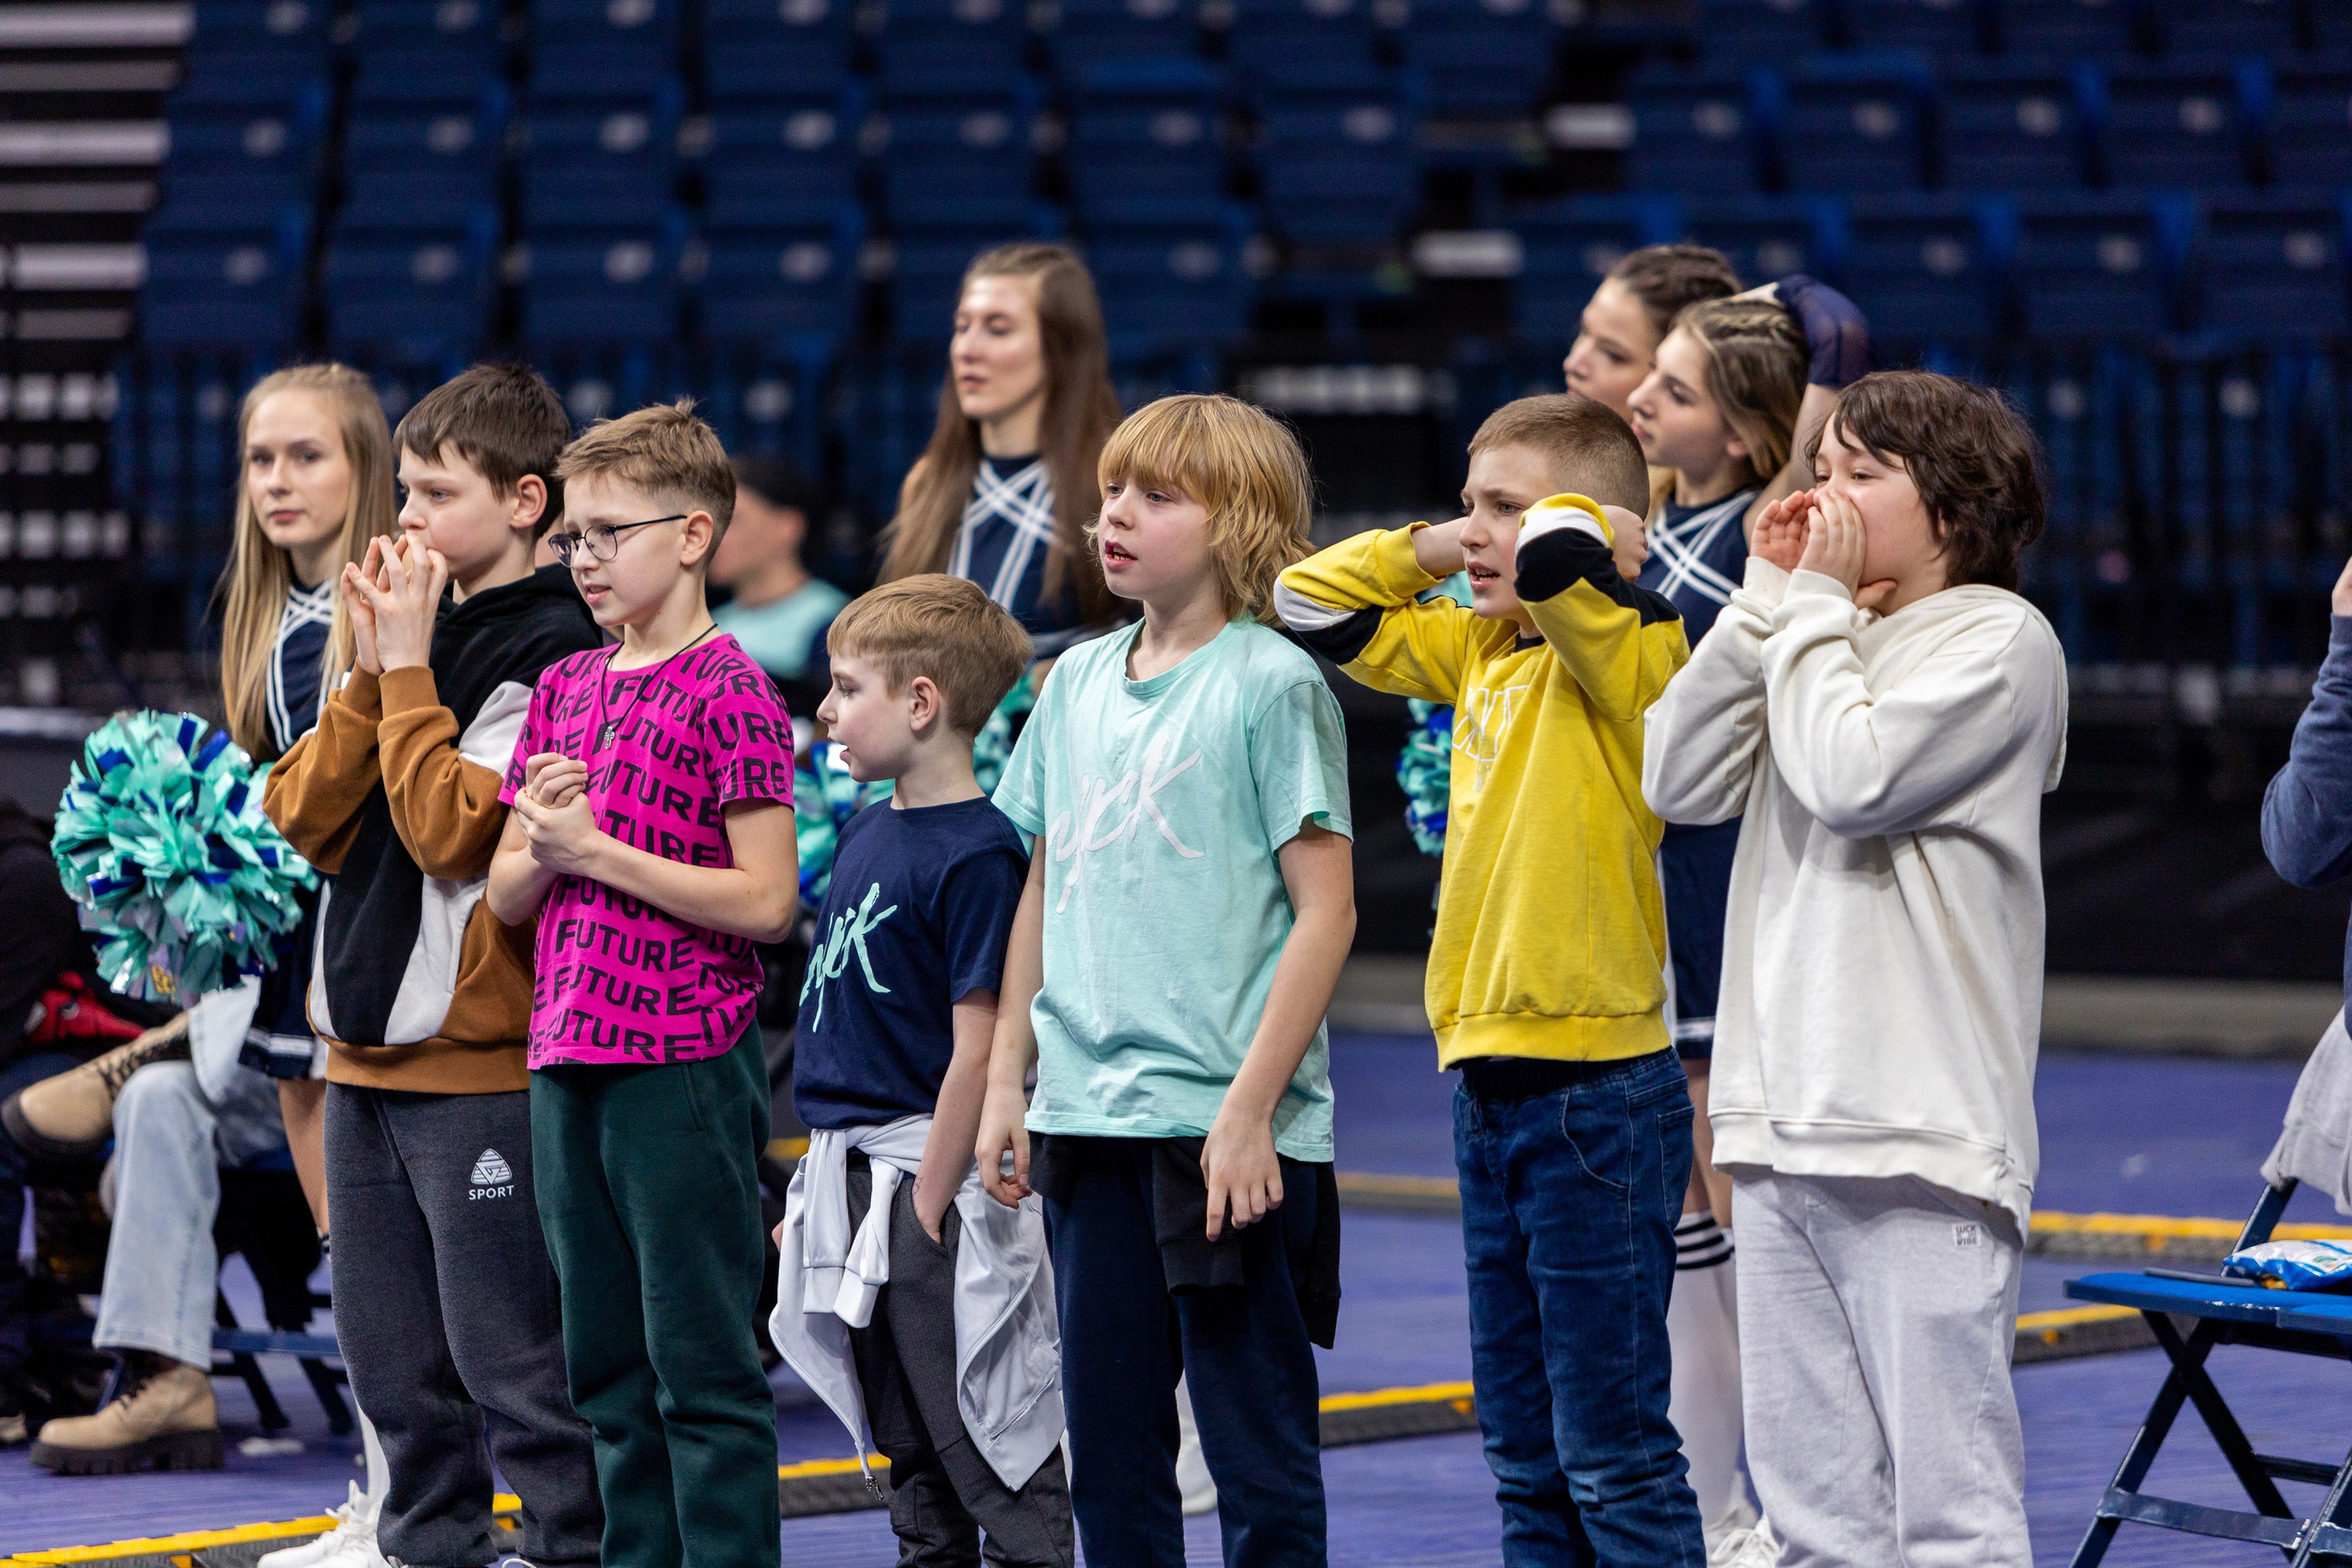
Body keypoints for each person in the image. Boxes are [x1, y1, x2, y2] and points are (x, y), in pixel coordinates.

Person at [1641, 370, 2064, 1568]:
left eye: (1859, 476)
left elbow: (1852, 776)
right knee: (1817, 1522)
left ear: (1956, 510)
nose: (1821, 499)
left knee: (1953, 1515)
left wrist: (1809, 609)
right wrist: (1766, 598)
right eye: (1819, 470)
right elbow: (1672, 778)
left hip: (1921, 1131)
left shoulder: (2001, 641)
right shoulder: (1816, 628)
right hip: (1779, 1127)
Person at [1276, 394, 1706, 1566]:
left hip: (1598, 1096)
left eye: (1499, 508)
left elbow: (1572, 559)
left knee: (1612, 1455)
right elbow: (1304, 601)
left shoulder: (1636, 648)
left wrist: (1572, 529)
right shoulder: (1477, 649)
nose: (1478, 534)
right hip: (1487, 1086)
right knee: (1521, 1455)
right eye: (1470, 504)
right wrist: (1439, 540)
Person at [976, 394, 1356, 1568]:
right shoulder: (1076, 680)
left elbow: (1327, 913)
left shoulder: (1272, 683)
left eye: (1156, 497)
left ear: (1237, 520)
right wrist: (1007, 1082)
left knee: (1256, 1460)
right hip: (1087, 1117)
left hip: (1220, 1135)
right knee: (1115, 1457)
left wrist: (1246, 1116)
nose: (1115, 519)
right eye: (1109, 497)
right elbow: (1042, 885)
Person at [27, 364, 400, 1479]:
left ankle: (405, 1450)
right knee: (154, 1106)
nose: (277, 482)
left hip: (381, 1005)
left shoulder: (393, 607)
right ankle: (167, 1380)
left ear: (364, 467)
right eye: (259, 459)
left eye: (307, 456)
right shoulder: (260, 621)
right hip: (282, 1012)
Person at [262, 364, 606, 1568]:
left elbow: (456, 831)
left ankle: (577, 1548)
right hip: (358, 1042)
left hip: (476, 1058)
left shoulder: (558, 641)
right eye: (400, 491)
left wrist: (404, 669)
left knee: (514, 1363)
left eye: (431, 494)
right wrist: (370, 669)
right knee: (394, 1365)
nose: (401, 520)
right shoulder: (406, 629)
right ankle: (425, 1547)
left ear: (524, 501)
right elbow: (300, 815)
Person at [487, 400, 798, 1568]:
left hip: (681, 1058)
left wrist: (594, 850)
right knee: (604, 1370)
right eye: (571, 537)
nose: (584, 558)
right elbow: (508, 892)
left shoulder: (733, 688)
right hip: (566, 1051)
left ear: (694, 534)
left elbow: (768, 903)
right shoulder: (564, 686)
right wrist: (544, 842)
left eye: (610, 532)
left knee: (702, 1370)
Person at [769, 574, 1071, 1567]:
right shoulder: (866, 829)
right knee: (907, 1434)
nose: (825, 710)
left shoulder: (980, 852)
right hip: (855, 1170)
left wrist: (930, 1205)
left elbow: (977, 1047)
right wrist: (825, 1183)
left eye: (847, 688)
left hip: (924, 1173)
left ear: (922, 702)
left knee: (981, 1422)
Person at [1623, 295, 1807, 1559]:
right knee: (1685, 1222)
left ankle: (1792, 1501)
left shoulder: (1757, 547)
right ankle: (1713, 1502)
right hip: (1643, 904)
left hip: (1723, 895)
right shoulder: (1650, 530)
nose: (1639, 399)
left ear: (1744, 435)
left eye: (1675, 392)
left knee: (1739, 1212)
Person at [878, 241, 1125, 663]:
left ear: (1061, 347)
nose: (967, 349)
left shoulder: (1111, 482)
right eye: (962, 326)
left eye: (998, 328)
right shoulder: (929, 479)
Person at [711, 453, 847, 723]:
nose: (712, 535)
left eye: (732, 520)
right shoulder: (709, 625)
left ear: (788, 527)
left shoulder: (835, 621)